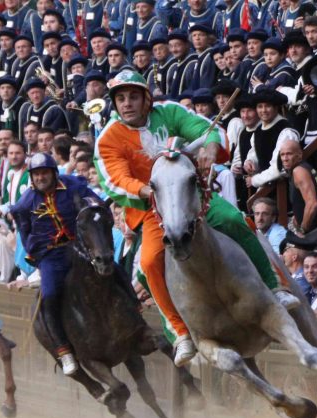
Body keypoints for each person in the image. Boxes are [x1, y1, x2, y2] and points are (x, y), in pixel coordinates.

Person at [94, 69, 300, 368]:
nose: (127, 104)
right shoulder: (108, 138)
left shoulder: (170, 111)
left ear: (146, 98)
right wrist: (146, 189)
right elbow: (114, 180)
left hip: (192, 196)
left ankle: (274, 286)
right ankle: (180, 332)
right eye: (121, 98)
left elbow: (206, 128)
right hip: (152, 207)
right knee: (150, 262)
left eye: (134, 97)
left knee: (233, 218)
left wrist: (210, 146)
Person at [11, 153, 102, 375]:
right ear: (32, 177)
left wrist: (93, 209)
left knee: (112, 271)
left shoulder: (73, 185)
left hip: (82, 247)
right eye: (36, 174)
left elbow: (95, 203)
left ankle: (135, 309)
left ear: (54, 172)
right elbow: (25, 235)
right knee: (49, 294)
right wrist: (39, 259)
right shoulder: (24, 204)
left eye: (44, 172)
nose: (41, 177)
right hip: (52, 256)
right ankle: (63, 350)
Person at [280, 140, 317, 235]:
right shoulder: (305, 168)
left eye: (289, 154)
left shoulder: (299, 171)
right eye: (282, 155)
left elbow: (312, 204)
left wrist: (302, 230)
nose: (285, 158)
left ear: (299, 155)